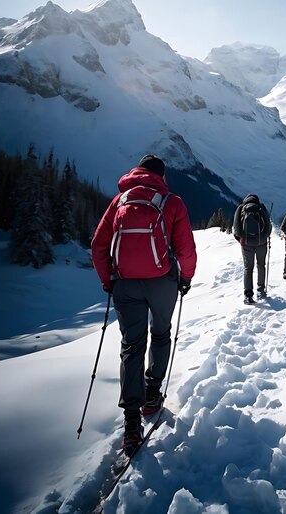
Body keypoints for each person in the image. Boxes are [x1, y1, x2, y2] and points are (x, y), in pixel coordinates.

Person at [91, 154, 197, 454]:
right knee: (161, 333)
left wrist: (108, 280)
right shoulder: (171, 201)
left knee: (131, 345)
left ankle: (131, 423)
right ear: (161, 176)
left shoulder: (119, 201)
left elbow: (98, 245)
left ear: (136, 172)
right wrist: (185, 278)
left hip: (125, 284)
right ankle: (152, 394)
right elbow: (185, 248)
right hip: (162, 281)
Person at [232, 194, 272, 304]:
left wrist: (241, 239)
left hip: (246, 244)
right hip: (261, 243)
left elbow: (236, 227)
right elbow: (268, 225)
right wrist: (264, 237)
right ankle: (261, 290)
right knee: (261, 265)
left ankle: (248, 295)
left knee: (248, 268)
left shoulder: (241, 208)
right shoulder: (261, 208)